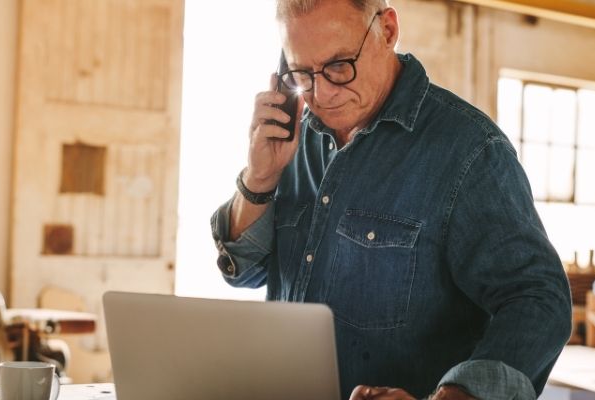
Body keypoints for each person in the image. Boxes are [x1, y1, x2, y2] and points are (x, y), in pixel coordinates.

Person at [210, 0, 572, 398]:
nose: (323, 93)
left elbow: (539, 300)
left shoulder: (469, 150)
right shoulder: (292, 137)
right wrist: (260, 177)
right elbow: (242, 271)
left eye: (338, 66)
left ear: (387, 30)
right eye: (301, 73)